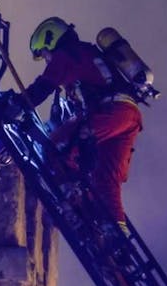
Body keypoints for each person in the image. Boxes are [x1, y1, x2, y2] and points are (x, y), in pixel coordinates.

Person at [22, 17, 143, 235]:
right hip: (128, 115)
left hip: (110, 111)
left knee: (56, 146)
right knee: (106, 179)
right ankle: (118, 237)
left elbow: (42, 87)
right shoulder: (87, 54)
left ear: (50, 41)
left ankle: (70, 199)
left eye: (44, 54)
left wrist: (16, 104)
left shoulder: (66, 55)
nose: (47, 60)